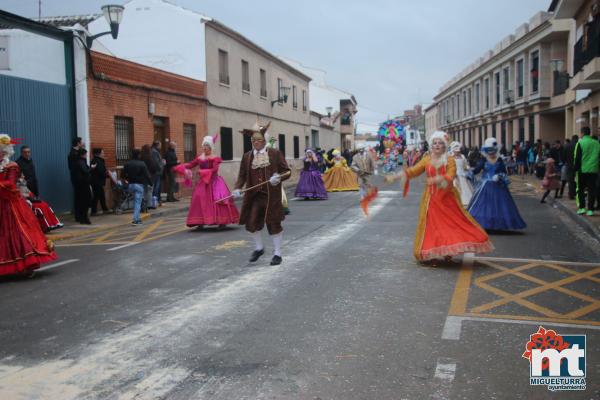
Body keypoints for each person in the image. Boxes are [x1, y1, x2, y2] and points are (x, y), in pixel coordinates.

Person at [385, 131, 493, 263]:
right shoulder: (427, 159)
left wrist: (438, 179)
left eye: (440, 143)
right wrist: (397, 176)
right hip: (431, 199)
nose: (437, 145)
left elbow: (451, 175)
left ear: (444, 146)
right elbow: (414, 171)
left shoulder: (449, 160)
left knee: (451, 225)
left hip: (447, 198)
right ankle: (434, 253)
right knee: (433, 227)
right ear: (431, 145)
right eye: (435, 143)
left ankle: (448, 253)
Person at [232, 121, 290, 266]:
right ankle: (259, 248)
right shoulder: (247, 156)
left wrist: (278, 177)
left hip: (272, 196)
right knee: (251, 223)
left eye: (259, 140)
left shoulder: (275, 154)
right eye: (253, 140)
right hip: (254, 196)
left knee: (273, 224)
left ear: (264, 141)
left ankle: (277, 253)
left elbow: (287, 171)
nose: (256, 143)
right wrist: (238, 188)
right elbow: (242, 175)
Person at [0, 134, 57, 277]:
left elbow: (11, 184)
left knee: (18, 232)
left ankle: (27, 264)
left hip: (10, 205)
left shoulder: (11, 166)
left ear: (5, 151)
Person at [174, 135, 239, 228]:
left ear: (210, 147)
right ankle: (200, 221)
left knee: (218, 199)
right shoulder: (200, 157)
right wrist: (181, 167)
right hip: (203, 183)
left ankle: (221, 221)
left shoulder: (215, 158)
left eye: (206, 146)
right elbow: (191, 164)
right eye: (204, 146)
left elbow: (215, 170)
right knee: (198, 198)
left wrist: (203, 172)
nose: (204, 148)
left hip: (214, 182)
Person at [467, 138, 527, 231]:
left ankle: (498, 224)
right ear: (486, 150)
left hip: (498, 185)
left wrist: (499, 176)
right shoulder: (484, 160)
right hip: (485, 186)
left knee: (500, 205)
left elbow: (503, 171)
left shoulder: (499, 160)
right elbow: (477, 169)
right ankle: (485, 224)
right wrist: (469, 173)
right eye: (488, 150)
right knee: (484, 205)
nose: (490, 152)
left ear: (496, 149)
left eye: (492, 150)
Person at [574, 126, 600, 216]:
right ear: (589, 133)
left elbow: (577, 158)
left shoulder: (580, 143)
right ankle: (590, 210)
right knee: (592, 190)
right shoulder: (597, 143)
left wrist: (575, 170)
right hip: (594, 170)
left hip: (582, 170)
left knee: (581, 190)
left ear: (582, 133)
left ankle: (582, 208)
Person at [123, 149, 152, 225]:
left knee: (135, 200)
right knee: (137, 203)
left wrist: (127, 179)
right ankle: (136, 220)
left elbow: (122, 175)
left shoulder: (127, 163)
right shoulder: (142, 164)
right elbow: (147, 175)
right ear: (139, 155)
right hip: (139, 185)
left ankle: (137, 217)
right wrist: (151, 183)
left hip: (130, 185)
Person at [72, 148, 92, 225]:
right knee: (85, 201)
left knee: (82, 201)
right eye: (86, 154)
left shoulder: (78, 162)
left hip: (80, 184)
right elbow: (86, 171)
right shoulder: (81, 162)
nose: (86, 155)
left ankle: (82, 218)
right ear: (83, 154)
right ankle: (84, 218)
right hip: (83, 184)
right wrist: (91, 168)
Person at [450, 141, 473, 207]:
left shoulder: (462, 157)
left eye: (458, 151)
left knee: (465, 190)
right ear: (453, 150)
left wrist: (468, 168)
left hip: (462, 176)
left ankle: (465, 201)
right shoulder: (450, 158)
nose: (457, 152)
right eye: (456, 151)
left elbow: (465, 166)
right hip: (454, 176)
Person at [68, 137, 84, 221]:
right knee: (79, 197)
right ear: (78, 143)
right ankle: (78, 216)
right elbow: (76, 167)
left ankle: (80, 215)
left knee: (80, 197)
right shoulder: (74, 154)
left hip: (79, 177)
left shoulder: (76, 152)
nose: (82, 143)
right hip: (78, 178)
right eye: (81, 142)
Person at [90, 148, 109, 215]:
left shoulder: (98, 160)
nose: (103, 154)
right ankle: (93, 211)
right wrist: (106, 175)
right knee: (96, 196)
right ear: (98, 154)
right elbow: (100, 171)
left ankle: (105, 209)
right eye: (102, 153)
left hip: (97, 181)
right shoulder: (97, 161)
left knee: (101, 195)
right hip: (96, 181)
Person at [141, 144, 159, 209]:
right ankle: (149, 204)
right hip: (150, 177)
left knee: (143, 191)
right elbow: (154, 167)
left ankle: (143, 204)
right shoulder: (150, 158)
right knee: (149, 191)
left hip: (142, 177)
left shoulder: (141, 158)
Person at [151, 140, 164, 208]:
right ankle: (154, 202)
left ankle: (157, 201)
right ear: (157, 145)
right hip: (156, 173)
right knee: (156, 187)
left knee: (157, 187)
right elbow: (156, 163)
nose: (161, 146)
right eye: (160, 145)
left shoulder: (154, 151)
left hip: (156, 172)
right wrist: (162, 164)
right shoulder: (154, 152)